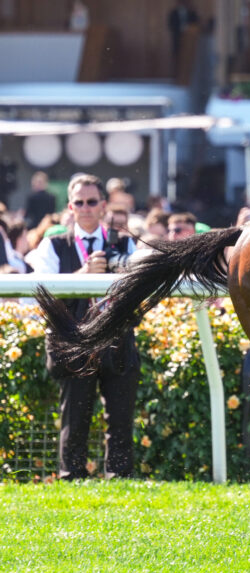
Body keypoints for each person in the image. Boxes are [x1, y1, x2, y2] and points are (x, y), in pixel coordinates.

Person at [25, 173, 139, 480]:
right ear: (70, 206)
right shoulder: (52, 245)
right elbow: (43, 293)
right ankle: (71, 476)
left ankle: (120, 478)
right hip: (73, 344)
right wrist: (83, 273)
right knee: (74, 417)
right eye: (79, 202)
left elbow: (139, 287)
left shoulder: (126, 243)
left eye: (92, 201)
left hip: (117, 342)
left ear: (103, 205)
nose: (86, 207)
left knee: (120, 418)